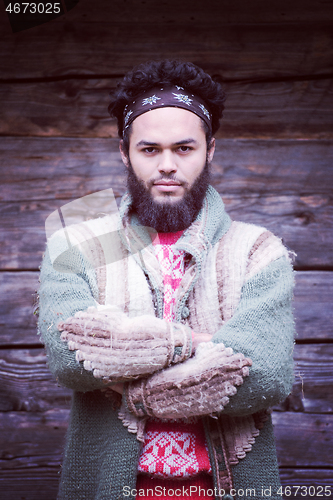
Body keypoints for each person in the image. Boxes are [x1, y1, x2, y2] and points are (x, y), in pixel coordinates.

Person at [38, 60, 295, 500]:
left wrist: (126, 373)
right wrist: (193, 344)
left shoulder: (258, 250)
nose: (168, 165)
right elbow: (70, 355)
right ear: (125, 152)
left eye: (184, 148)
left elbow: (264, 375)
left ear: (210, 150)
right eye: (150, 149)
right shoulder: (75, 244)